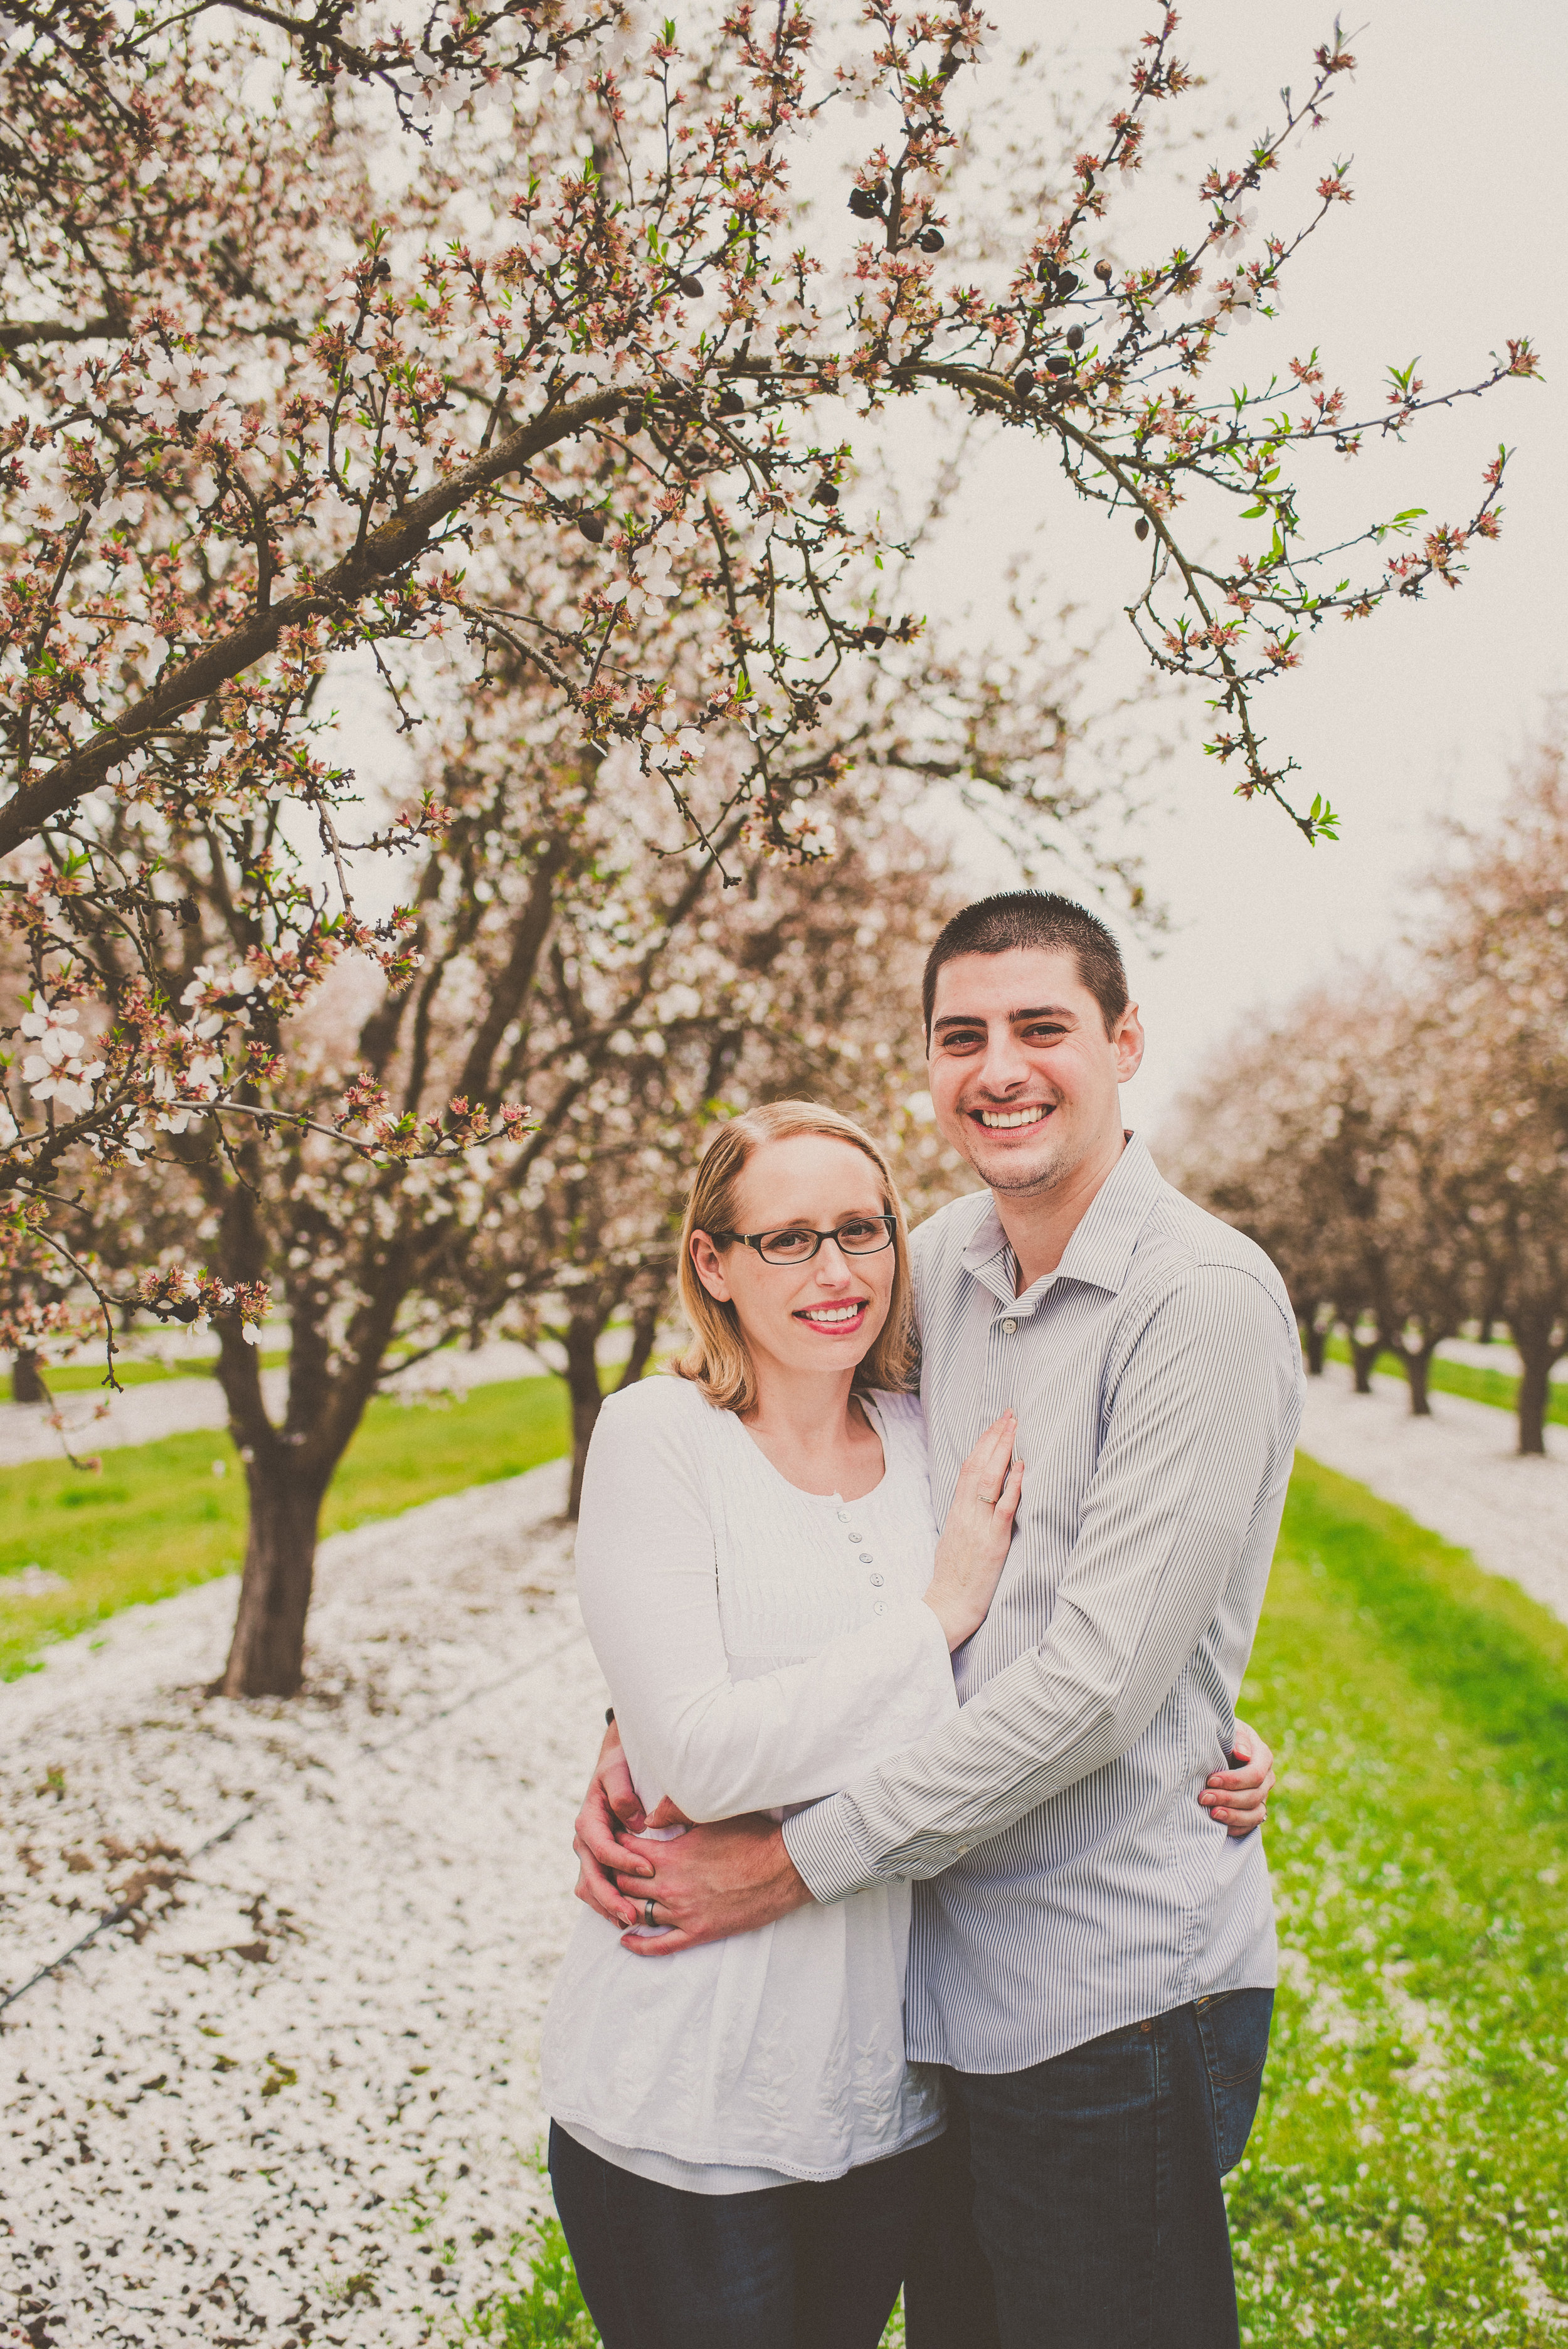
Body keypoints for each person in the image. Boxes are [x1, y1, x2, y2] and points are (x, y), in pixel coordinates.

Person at [574, 889, 1301, 2349]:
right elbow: (792, 1500)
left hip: (1104, 1996)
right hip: (931, 1998)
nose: (1000, 1067)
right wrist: (641, 1718)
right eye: (960, 1034)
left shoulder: (1198, 1300)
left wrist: (783, 1863)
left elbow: (1098, 1688)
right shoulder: (939, 1269)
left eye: (1042, 1026)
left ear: (1124, 1040)